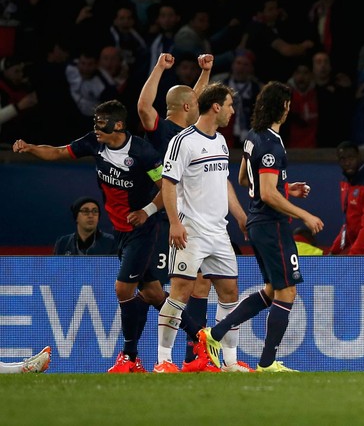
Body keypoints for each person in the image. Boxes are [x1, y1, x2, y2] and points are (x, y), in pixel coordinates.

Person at [12, 100, 199, 373]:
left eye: (102, 123)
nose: (97, 128)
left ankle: (129, 356)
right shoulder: (93, 143)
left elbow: (168, 188)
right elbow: (58, 152)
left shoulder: (143, 153)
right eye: (95, 122)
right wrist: (30, 148)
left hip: (144, 230)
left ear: (119, 125)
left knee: (123, 289)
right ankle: (200, 335)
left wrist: (147, 211)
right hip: (120, 231)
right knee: (154, 294)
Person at [197, 81, 324, 372]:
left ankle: (214, 334)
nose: (290, 108)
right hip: (271, 224)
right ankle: (267, 363)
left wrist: (285, 187)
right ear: (283, 107)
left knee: (271, 290)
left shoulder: (254, 137)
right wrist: (304, 214)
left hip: (258, 222)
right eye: (288, 104)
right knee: (287, 292)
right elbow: (266, 193)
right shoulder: (270, 144)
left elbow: (245, 179)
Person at [156, 82, 250, 373]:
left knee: (230, 292)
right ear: (216, 106)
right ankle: (163, 361)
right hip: (191, 230)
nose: (233, 111)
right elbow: (168, 183)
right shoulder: (183, 141)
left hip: (218, 231)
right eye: (230, 105)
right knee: (180, 292)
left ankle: (230, 361)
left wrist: (239, 215)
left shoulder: (221, 141)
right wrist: (174, 222)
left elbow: (224, 182)